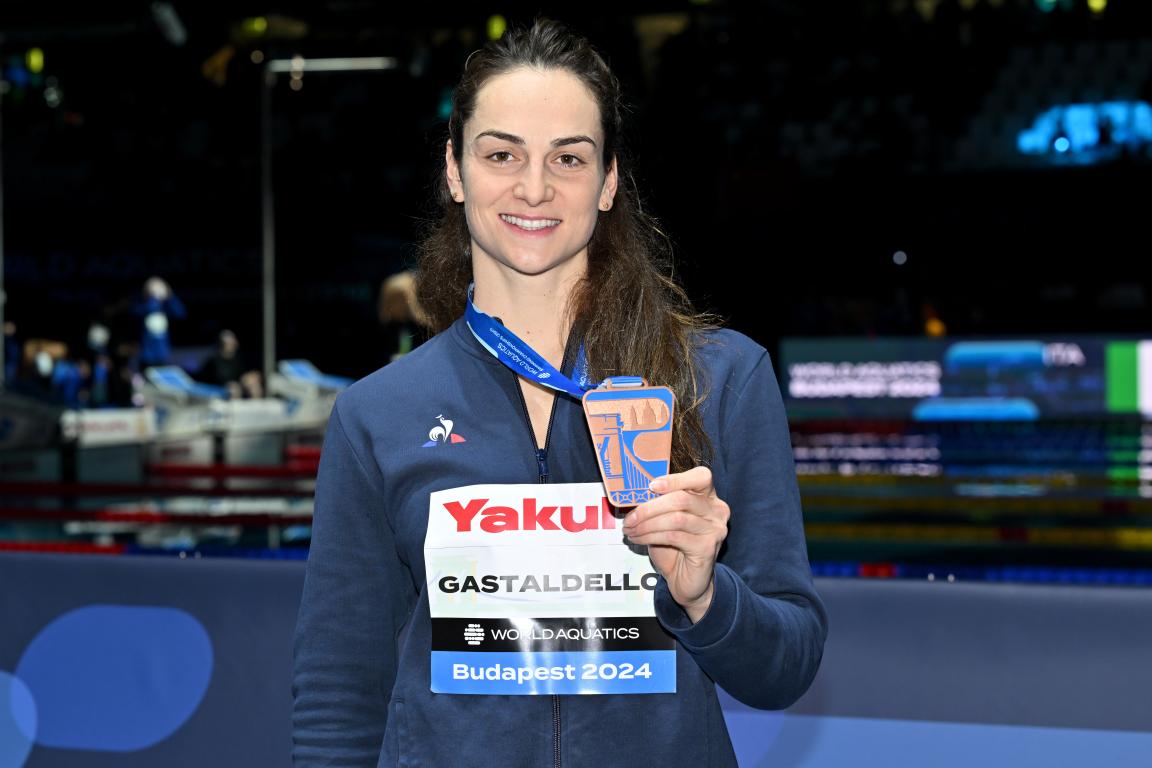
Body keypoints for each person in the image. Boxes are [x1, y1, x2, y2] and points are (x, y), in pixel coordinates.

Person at [292, 19, 826, 767]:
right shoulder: (378, 413)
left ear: (608, 182)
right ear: (455, 170)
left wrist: (705, 596)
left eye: (568, 159)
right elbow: (337, 692)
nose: (534, 187)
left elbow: (787, 666)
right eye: (501, 154)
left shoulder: (717, 379)